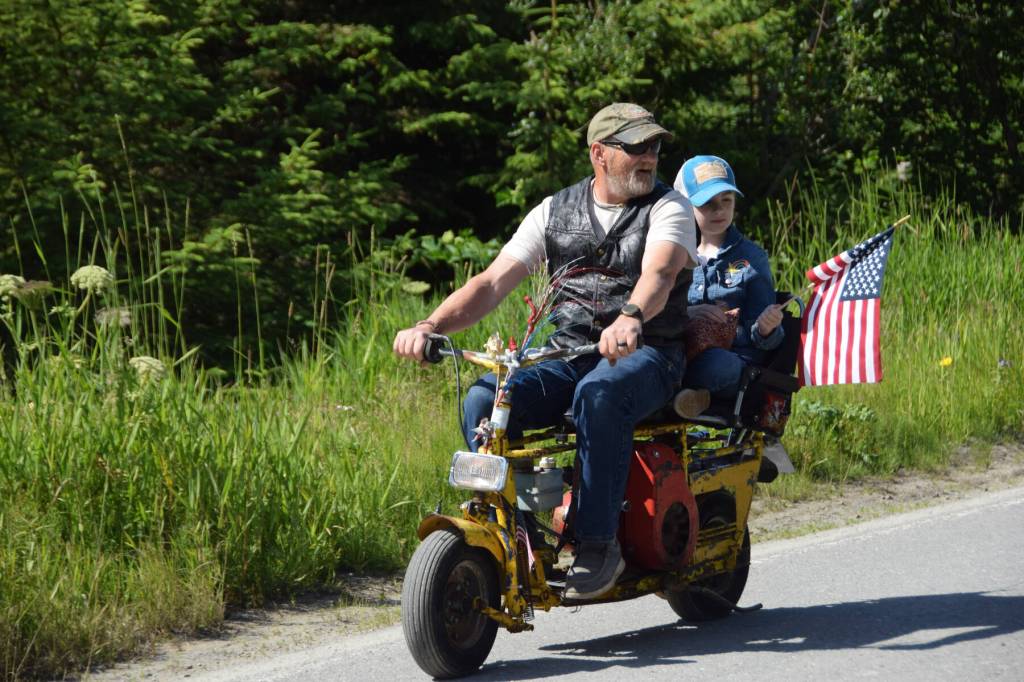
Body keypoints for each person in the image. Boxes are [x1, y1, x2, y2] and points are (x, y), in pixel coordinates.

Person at [393, 103, 698, 599]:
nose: (650, 158)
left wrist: (632, 317)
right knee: (483, 399)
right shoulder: (557, 210)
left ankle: (599, 545)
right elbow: (492, 283)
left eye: (655, 147)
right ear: (599, 154)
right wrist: (429, 325)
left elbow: (659, 275)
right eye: (636, 148)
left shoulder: (669, 208)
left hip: (649, 354)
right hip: (569, 353)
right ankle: (520, 533)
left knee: (599, 394)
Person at [670, 155, 785, 418]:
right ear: (685, 207)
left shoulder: (750, 258)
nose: (719, 211)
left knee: (719, 367)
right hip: (682, 350)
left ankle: (690, 396)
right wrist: (688, 315)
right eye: (707, 204)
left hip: (732, 358)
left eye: (726, 201)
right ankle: (689, 396)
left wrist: (766, 328)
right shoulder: (673, 253)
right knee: (657, 359)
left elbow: (764, 338)